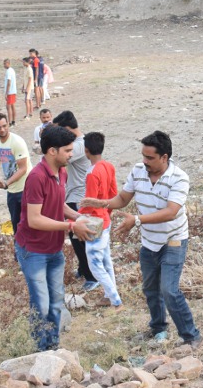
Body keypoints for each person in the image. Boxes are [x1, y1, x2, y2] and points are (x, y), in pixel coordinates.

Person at [83, 131, 201, 347]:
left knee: (169, 289)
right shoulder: (138, 171)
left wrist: (136, 220)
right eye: (143, 156)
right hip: (149, 242)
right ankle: (158, 329)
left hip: (173, 240)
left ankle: (190, 335)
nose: (144, 161)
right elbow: (123, 198)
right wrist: (102, 203)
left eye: (149, 158)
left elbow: (171, 212)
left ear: (164, 157)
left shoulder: (179, 178)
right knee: (150, 288)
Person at [14, 124, 92, 351]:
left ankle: (54, 347)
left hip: (54, 249)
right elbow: (34, 219)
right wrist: (70, 226)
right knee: (42, 303)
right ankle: (42, 351)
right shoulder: (36, 177)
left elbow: (59, 205)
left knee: (56, 302)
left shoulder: (62, 172)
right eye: (67, 150)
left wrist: (79, 217)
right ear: (52, 151)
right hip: (34, 251)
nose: (71, 154)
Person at [52, 110, 99, 289]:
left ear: (68, 129)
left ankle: (91, 276)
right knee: (75, 236)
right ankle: (83, 267)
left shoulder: (79, 146)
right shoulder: (78, 143)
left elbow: (59, 159)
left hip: (78, 195)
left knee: (79, 237)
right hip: (74, 193)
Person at [77, 132, 123, 310]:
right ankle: (109, 295)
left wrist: (77, 217)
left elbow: (89, 202)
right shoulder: (108, 166)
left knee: (95, 264)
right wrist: (108, 211)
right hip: (105, 217)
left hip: (95, 221)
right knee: (105, 260)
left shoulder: (91, 174)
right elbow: (113, 194)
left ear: (86, 150)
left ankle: (115, 299)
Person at [0, 113, 30, 237]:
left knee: (30, 224)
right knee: (16, 225)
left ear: (8, 124)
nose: (2, 129)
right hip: (11, 190)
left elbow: (23, 169)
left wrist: (6, 183)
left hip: (26, 188)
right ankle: (19, 253)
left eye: (4, 126)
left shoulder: (17, 142)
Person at [4, 59, 18, 125]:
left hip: (10, 92)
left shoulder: (8, 71)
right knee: (12, 106)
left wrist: (6, 93)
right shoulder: (12, 70)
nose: (4, 65)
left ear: (8, 63)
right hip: (13, 91)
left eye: (5, 64)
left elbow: (9, 82)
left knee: (8, 107)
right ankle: (13, 121)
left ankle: (10, 122)